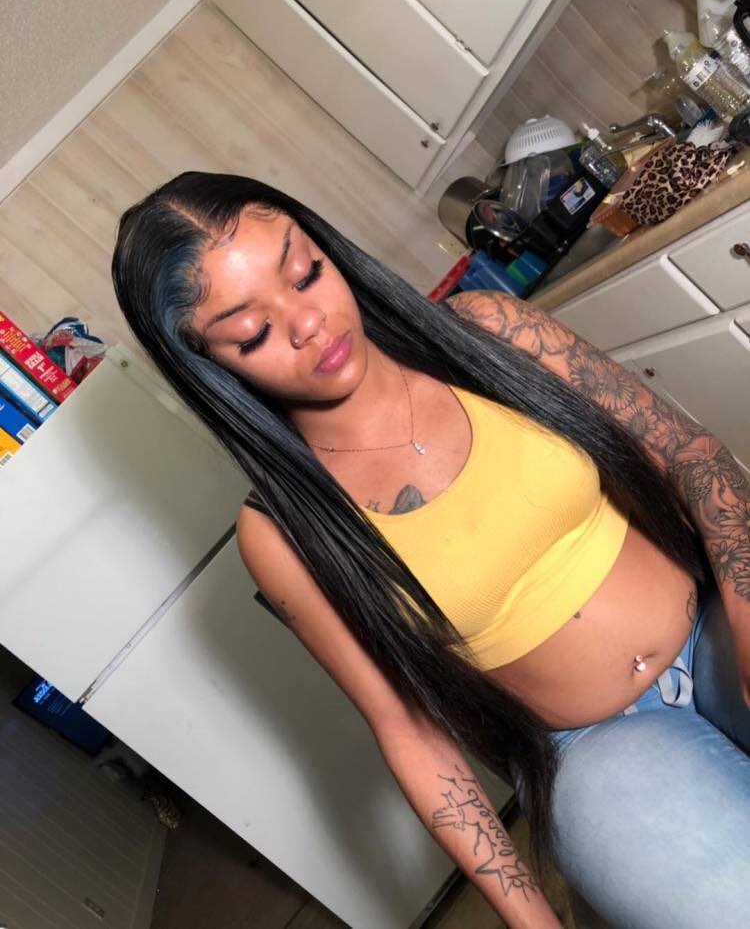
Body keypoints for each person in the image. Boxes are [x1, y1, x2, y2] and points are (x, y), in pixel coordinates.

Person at [111, 172, 750, 928]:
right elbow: (411, 731)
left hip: (720, 618)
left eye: (306, 272)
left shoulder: (488, 327)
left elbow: (693, 455)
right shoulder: (280, 536)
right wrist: (532, 920)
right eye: (252, 333)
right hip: (602, 755)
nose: (310, 323)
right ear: (209, 364)